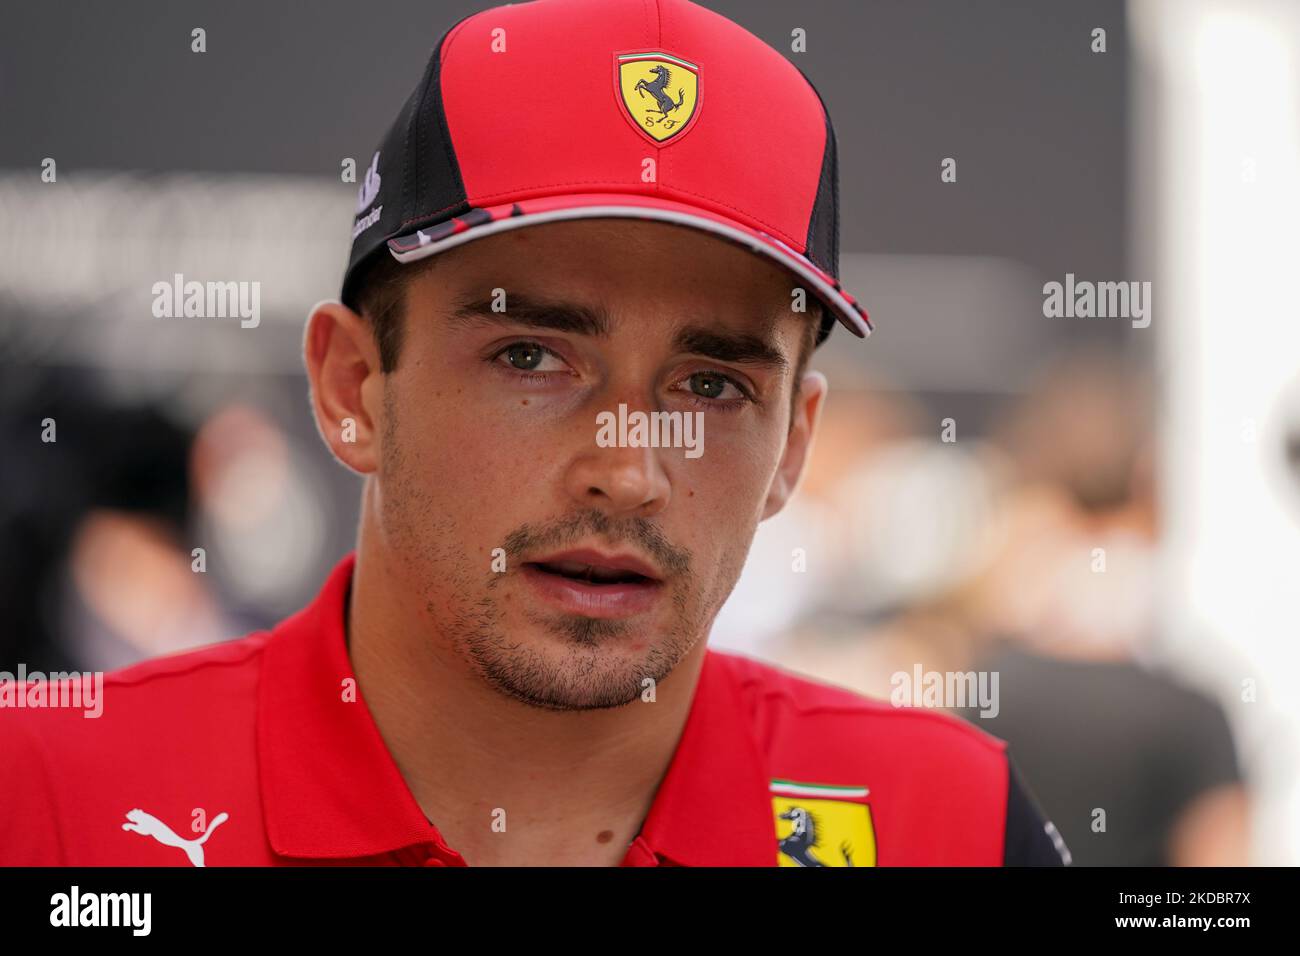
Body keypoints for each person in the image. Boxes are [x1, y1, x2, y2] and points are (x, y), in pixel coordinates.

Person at [0, 0, 1066, 867]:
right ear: (352, 385)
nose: (628, 469)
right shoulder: (47, 796)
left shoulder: (946, 821)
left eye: (709, 384)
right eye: (531, 357)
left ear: (793, 442)